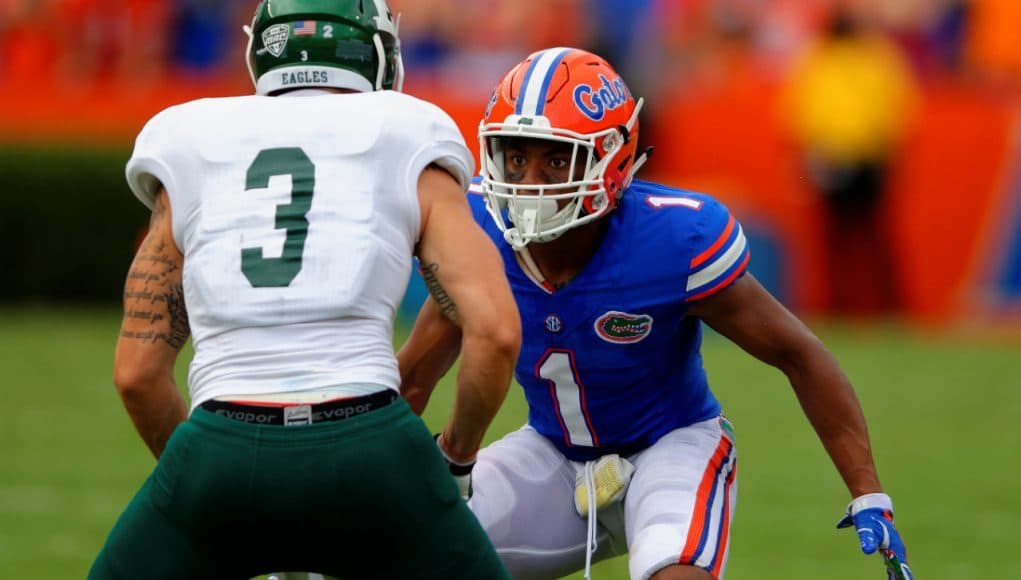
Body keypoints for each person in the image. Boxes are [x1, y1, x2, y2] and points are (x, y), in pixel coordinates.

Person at [398, 47, 912, 580]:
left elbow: (798, 354)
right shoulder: (478, 230)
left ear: (610, 158)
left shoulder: (672, 240)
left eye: (555, 158)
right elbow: (414, 376)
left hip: (671, 447)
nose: (528, 180)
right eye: (515, 156)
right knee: (407, 547)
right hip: (550, 454)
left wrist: (867, 491)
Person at [89, 1, 519, 578]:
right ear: (374, 51)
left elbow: (137, 373)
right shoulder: (407, 130)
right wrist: (456, 459)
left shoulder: (188, 136)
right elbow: (494, 331)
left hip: (223, 442)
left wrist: (214, 490)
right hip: (372, 445)